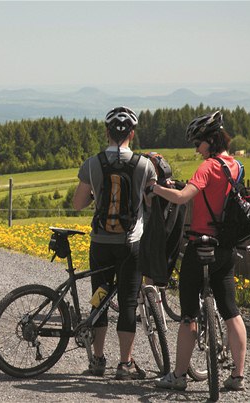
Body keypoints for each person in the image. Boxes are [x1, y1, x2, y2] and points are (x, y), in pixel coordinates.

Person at [153, 111, 247, 391]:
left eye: (198, 143)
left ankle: (179, 376)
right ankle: (238, 377)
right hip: (226, 248)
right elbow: (211, 193)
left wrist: (156, 188)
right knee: (231, 311)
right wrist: (182, 186)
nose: (196, 149)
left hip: (200, 246)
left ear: (211, 140)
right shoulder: (236, 165)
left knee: (189, 314)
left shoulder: (207, 167)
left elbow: (183, 199)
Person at [73, 106, 157, 379]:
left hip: (100, 243)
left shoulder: (92, 163)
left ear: (107, 132)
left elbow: (77, 204)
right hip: (129, 245)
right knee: (128, 302)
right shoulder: (145, 165)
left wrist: (97, 198)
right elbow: (150, 202)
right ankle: (125, 364)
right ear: (132, 133)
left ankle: (97, 360)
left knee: (99, 299)